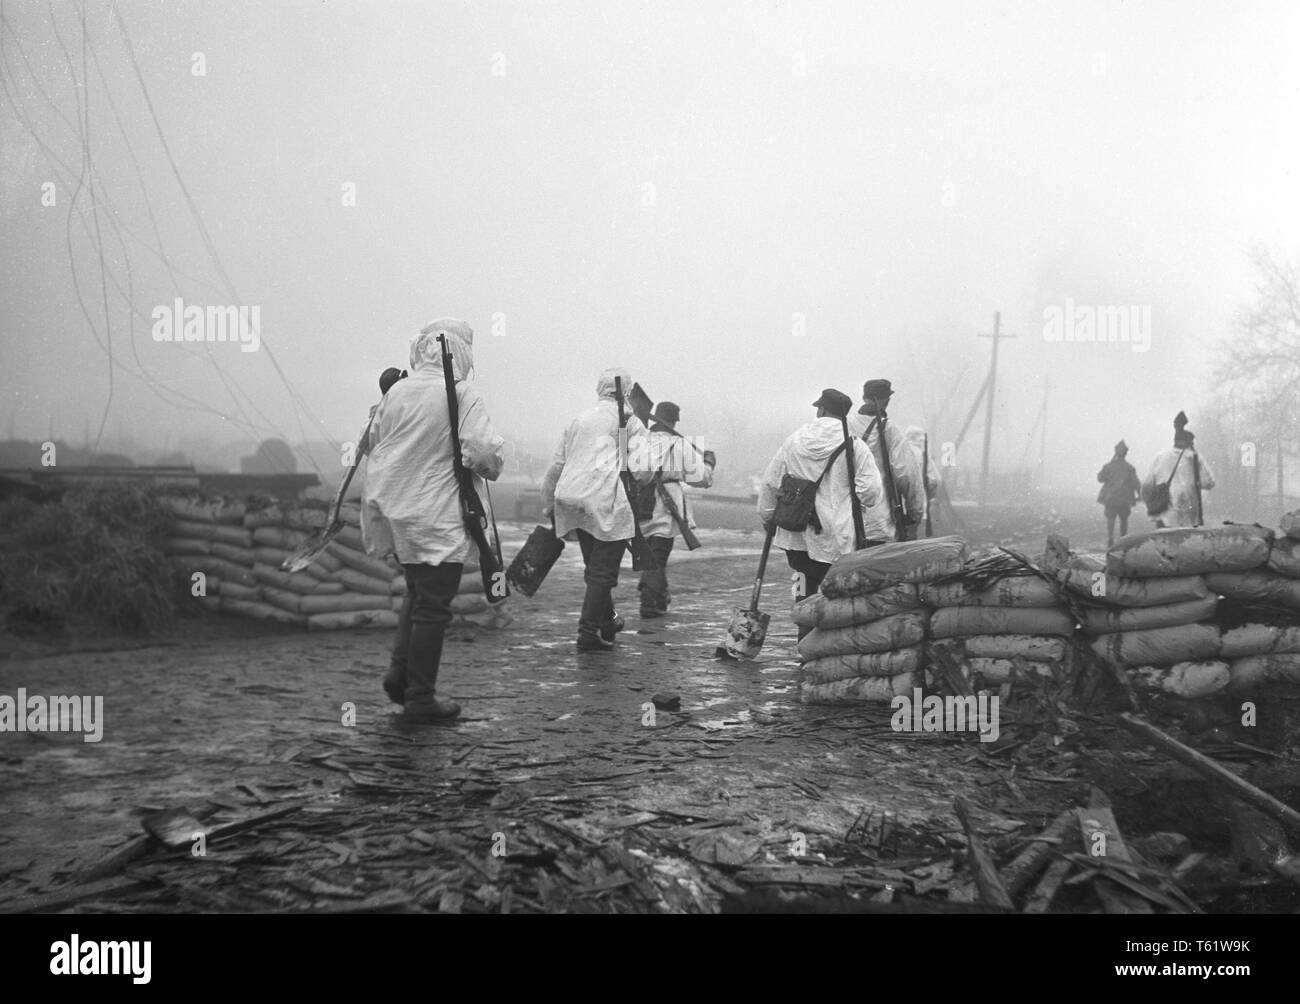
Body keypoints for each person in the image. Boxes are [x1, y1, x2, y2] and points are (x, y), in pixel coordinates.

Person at [362, 320, 505, 724]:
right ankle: (420, 699)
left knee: (416, 594)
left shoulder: (397, 392)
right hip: (437, 517)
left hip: (397, 512)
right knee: (432, 607)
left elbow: (371, 441)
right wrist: (494, 462)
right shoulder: (460, 393)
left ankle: (399, 674)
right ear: (461, 351)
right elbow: (481, 454)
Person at [757, 389, 887, 636]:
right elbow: (870, 491)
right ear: (844, 415)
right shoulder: (854, 445)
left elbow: (770, 482)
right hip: (835, 536)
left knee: (803, 586)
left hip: (796, 533)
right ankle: (826, 648)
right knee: (833, 593)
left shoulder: (794, 440)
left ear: (821, 410)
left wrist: (767, 516)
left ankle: (803, 640)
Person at [541, 369, 653, 651]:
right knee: (602, 572)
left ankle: (607, 622)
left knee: (595, 568)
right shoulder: (628, 422)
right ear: (625, 393)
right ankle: (588, 632)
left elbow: (556, 465)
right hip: (603, 500)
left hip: (571, 498)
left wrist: (548, 503)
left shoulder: (580, 419)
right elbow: (643, 471)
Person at [635, 401, 715, 618]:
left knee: (651, 555)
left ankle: (658, 597)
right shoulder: (678, 445)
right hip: (665, 503)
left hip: (640, 502)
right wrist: (708, 463)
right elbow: (702, 479)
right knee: (658, 557)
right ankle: (650, 602)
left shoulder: (639, 440)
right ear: (673, 421)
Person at [847, 379, 926, 541]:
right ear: (887, 401)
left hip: (842, 520)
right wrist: (914, 514)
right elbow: (907, 475)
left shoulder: (844, 425)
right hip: (878, 521)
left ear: (864, 397)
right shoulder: (888, 429)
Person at [1142, 411, 1215, 529]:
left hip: (1164, 515)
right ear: (1189, 443)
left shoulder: (1160, 457)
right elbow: (1209, 483)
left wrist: (1151, 503)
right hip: (1189, 517)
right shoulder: (1194, 458)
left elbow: (1147, 486)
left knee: (1164, 544)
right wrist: (1192, 483)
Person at [1097, 439, 1141, 545]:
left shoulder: (1108, 466)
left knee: (1111, 519)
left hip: (1111, 498)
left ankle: (1110, 538)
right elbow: (1136, 483)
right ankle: (1123, 540)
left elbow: (1100, 478)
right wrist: (1139, 495)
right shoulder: (1130, 468)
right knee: (1124, 520)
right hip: (1124, 499)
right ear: (1125, 454)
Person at [902, 425, 939, 536]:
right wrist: (929, 495)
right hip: (917, 500)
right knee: (912, 533)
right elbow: (934, 480)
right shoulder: (923, 455)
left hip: (898, 502)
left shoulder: (898, 452)